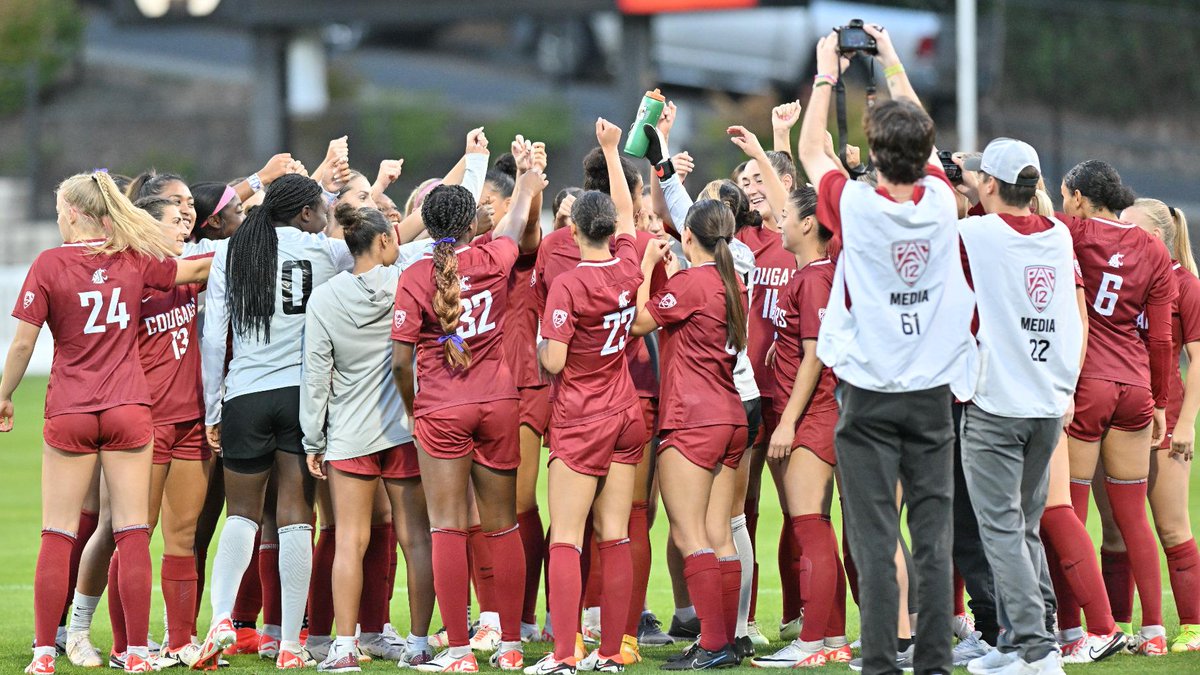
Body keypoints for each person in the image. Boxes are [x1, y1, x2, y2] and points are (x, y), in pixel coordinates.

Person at [797, 25, 977, 675]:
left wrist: (827, 70)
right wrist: (893, 59)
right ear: (926, 153)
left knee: (874, 540)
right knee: (932, 539)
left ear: (873, 151)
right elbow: (918, 133)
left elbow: (810, 147)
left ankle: (879, 662)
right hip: (930, 393)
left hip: (869, 393)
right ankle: (933, 664)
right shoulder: (942, 201)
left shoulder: (855, 204)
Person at [2, 170, 211, 675]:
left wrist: (4, 395)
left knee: (57, 533)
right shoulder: (132, 258)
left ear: (75, 213)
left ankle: (43, 655)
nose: (58, 218)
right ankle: (136, 653)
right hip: (129, 408)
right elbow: (193, 270)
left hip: (71, 408)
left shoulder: (49, 264)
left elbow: (24, 344)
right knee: (133, 532)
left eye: (59, 210)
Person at [391, 162, 546, 673]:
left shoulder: (416, 276)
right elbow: (517, 220)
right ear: (471, 223)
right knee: (502, 527)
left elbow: (400, 362)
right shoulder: (494, 257)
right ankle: (510, 645)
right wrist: (528, 179)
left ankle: (458, 652)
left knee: (447, 529)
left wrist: (413, 410)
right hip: (499, 402)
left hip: (442, 407)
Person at [196, 172, 354, 670]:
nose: (326, 214)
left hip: (245, 392)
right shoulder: (327, 252)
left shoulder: (231, 251)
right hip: (303, 396)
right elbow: (385, 249)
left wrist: (213, 406)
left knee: (241, 515)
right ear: (305, 214)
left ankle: (221, 618)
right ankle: (288, 644)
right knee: (295, 517)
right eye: (322, 206)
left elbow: (213, 337)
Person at [952, 139, 1085, 675]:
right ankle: (1017, 643)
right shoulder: (1057, 234)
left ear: (989, 183)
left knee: (1002, 529)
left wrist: (948, 176)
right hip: (1047, 401)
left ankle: (1035, 648)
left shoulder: (976, 233)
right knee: (1024, 525)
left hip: (997, 403)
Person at [528, 119, 649, 675]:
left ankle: (563, 656)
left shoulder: (569, 283)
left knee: (567, 539)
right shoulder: (627, 265)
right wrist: (612, 151)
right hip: (626, 409)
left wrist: (541, 343)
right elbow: (626, 212)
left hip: (581, 416)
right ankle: (612, 652)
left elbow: (553, 360)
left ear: (574, 229)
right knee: (616, 536)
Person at [300, 205, 435, 672]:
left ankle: (343, 648)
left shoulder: (325, 297)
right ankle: (419, 644)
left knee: (349, 540)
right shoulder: (407, 285)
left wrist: (313, 439)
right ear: (382, 242)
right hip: (403, 429)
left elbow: (315, 376)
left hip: (348, 433)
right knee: (416, 539)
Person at [1055, 160, 1175, 658]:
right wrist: (1161, 402)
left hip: (1088, 384)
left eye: (1066, 195)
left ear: (1080, 198)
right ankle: (1154, 632)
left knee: (1069, 513)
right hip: (1135, 385)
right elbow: (1161, 338)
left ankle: (1073, 631)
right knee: (1133, 517)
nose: (1063, 204)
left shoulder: (1070, 232)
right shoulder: (1154, 248)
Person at [628, 197, 749, 670]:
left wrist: (645, 267)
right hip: (731, 416)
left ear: (689, 237)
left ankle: (713, 643)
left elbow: (638, 322)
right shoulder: (731, 281)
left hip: (692, 418)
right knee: (720, 533)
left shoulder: (692, 282)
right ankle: (727, 640)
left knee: (688, 532)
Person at [751, 185, 849, 668]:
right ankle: (833, 639)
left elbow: (815, 355)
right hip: (817, 412)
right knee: (816, 528)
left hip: (812, 416)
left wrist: (787, 422)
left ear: (808, 224)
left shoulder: (814, 278)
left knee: (810, 528)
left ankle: (811, 643)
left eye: (786, 213)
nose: (780, 221)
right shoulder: (817, 274)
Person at [1117, 198, 1200, 652]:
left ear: (1152, 236)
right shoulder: (1120, 280)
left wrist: (1186, 425)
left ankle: (1193, 628)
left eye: (1127, 228)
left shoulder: (1185, 284)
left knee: (1172, 527)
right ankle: (1115, 628)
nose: (1118, 234)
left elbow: (1197, 360)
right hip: (1124, 417)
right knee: (1116, 529)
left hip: (1168, 421)